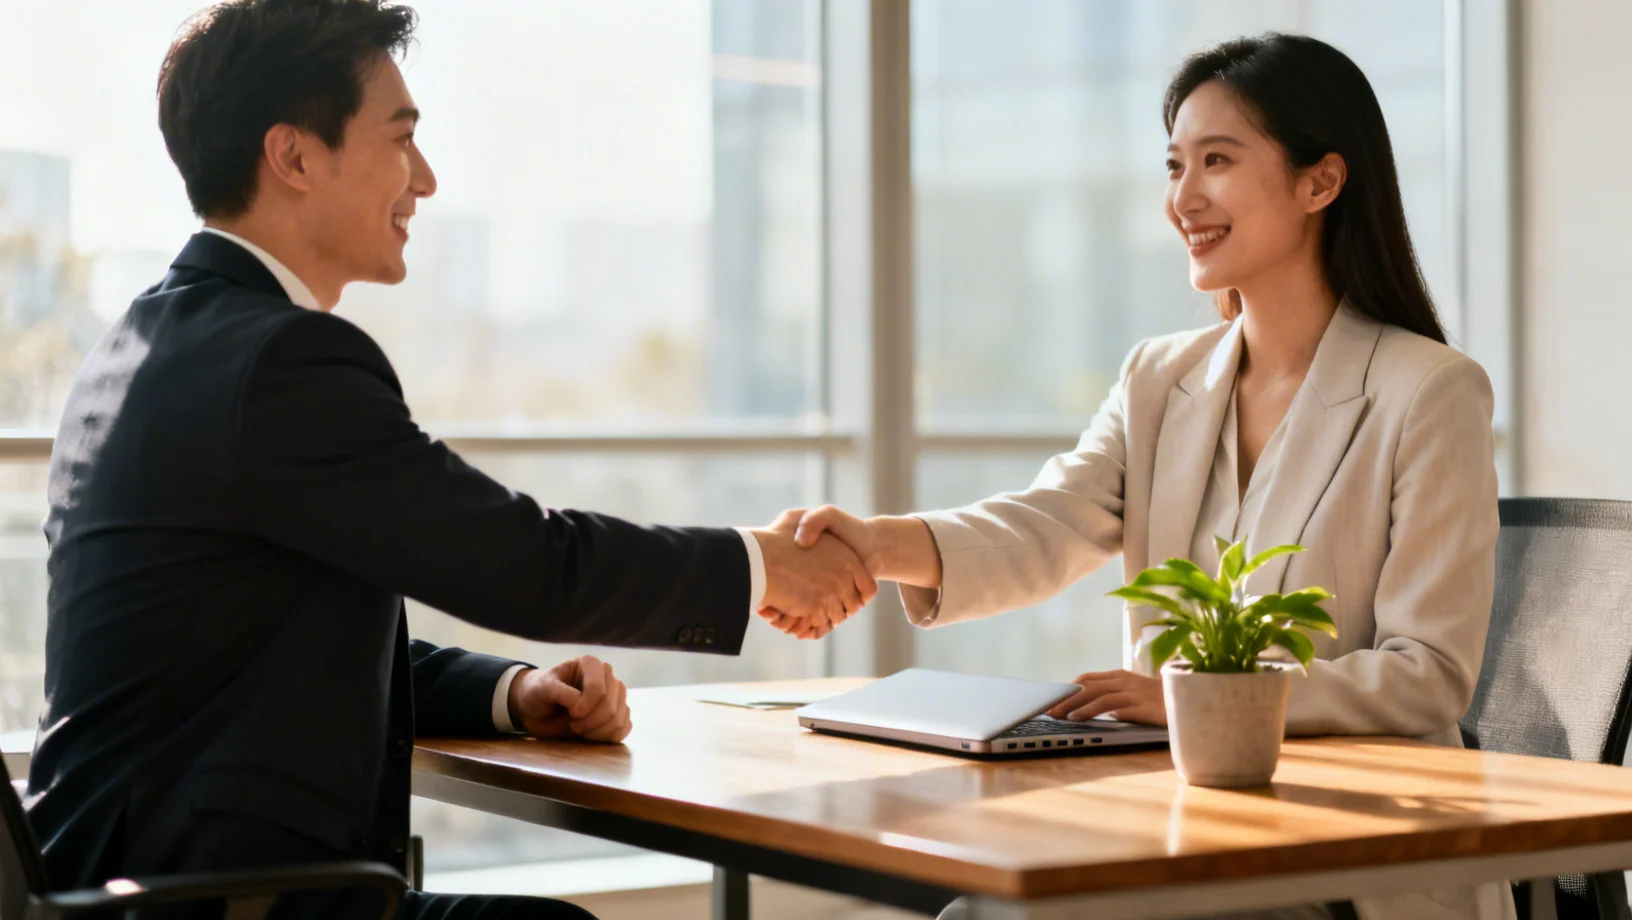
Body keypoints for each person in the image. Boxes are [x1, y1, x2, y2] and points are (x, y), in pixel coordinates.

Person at [22, 1, 873, 918]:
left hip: (112, 888)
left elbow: (277, 643)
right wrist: (760, 567)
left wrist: (513, 693)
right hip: (208, 899)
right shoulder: (281, 364)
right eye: (400, 140)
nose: (423, 180)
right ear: (295, 156)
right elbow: (529, 564)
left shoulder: (145, 342)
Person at [779, 34, 1514, 920]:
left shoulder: (1428, 391)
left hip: (1349, 859)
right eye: (1174, 165)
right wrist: (877, 543)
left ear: (1320, 182)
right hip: (1179, 824)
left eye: (1217, 161)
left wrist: (1195, 702)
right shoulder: (1160, 379)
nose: (1182, 198)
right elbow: (1050, 521)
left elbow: (1428, 674)